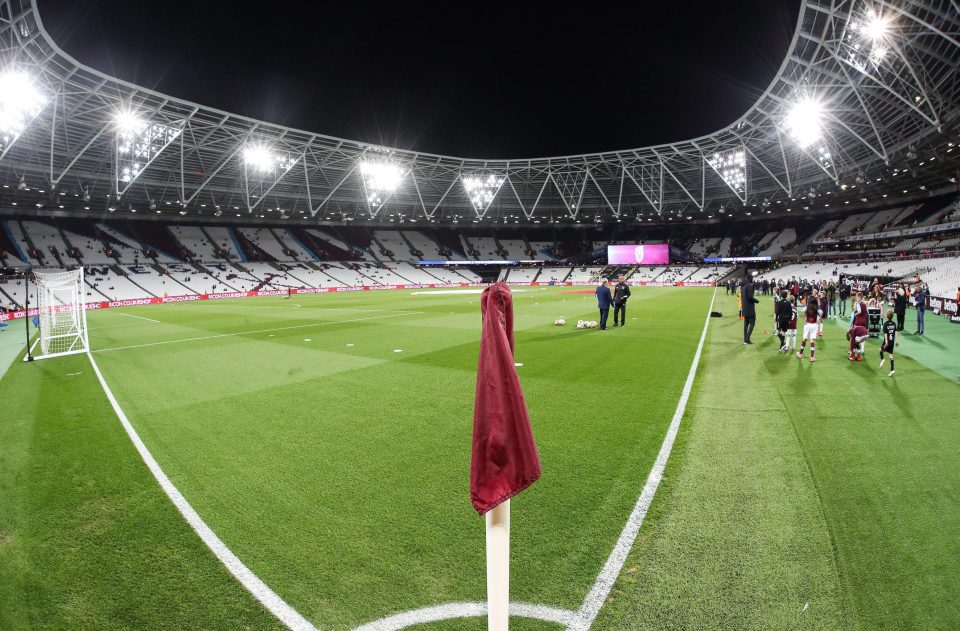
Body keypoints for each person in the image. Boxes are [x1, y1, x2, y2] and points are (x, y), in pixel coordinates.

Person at [797, 294, 821, 362]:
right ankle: (812, 357)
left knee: (804, 339)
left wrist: (805, 319)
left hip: (807, 324)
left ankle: (800, 354)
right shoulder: (817, 307)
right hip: (814, 325)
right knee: (812, 341)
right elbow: (821, 313)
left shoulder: (807, 307)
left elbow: (802, 312)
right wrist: (818, 321)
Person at [879, 309, 899, 377]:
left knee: (880, 349)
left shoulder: (885, 324)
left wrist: (886, 341)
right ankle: (892, 370)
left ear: (887, 316)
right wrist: (897, 341)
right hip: (892, 342)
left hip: (887, 341)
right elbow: (896, 332)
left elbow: (885, 334)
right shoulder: (894, 324)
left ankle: (882, 359)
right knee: (891, 355)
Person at [741, 273, 759, 345]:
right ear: (750, 278)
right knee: (752, 323)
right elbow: (750, 297)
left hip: (744, 307)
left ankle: (745, 339)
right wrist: (756, 300)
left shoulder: (742, 286)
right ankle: (747, 339)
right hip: (749, 308)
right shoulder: (749, 286)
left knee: (746, 324)